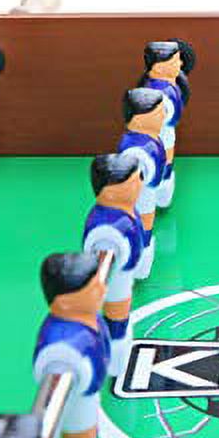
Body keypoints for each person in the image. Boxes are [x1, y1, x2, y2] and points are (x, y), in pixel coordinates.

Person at [32, 252, 110, 438]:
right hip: (77, 402)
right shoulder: (61, 345)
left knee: (88, 436)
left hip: (88, 394)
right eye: (93, 288)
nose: (102, 288)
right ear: (65, 302)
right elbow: (45, 361)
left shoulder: (89, 318)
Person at [83, 154, 145, 376]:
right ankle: (114, 347)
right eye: (134, 182)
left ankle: (116, 341)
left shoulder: (125, 213)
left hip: (124, 272)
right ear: (110, 192)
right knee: (115, 311)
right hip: (117, 278)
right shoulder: (105, 227)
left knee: (121, 309)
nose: (140, 184)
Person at [118, 88, 168, 279]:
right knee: (141, 222)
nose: (163, 115)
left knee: (146, 221)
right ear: (139, 119)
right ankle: (139, 254)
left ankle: (142, 248)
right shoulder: (135, 151)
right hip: (140, 198)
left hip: (148, 193)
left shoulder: (150, 140)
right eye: (157, 113)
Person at [139, 40, 195, 208]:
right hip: (152, 134)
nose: (179, 64)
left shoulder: (174, 88)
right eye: (174, 61)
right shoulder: (155, 91)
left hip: (166, 133)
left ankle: (163, 187)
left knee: (166, 158)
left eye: (179, 60)